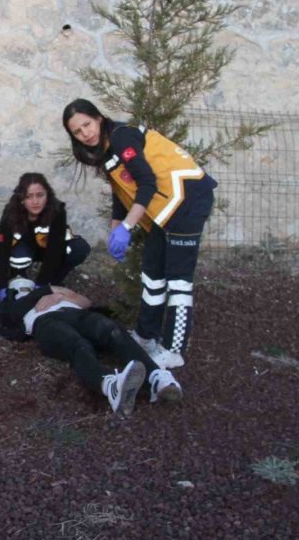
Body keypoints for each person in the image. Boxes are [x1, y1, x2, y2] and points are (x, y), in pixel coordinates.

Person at [62, 99, 217, 369]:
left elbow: (146, 182)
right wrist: (115, 227)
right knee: (152, 274)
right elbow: (122, 191)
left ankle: (173, 350)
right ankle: (146, 337)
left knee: (178, 279)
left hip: (188, 200)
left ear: (98, 118)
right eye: (77, 131)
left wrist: (127, 227)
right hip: (167, 208)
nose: (85, 133)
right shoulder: (108, 151)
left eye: (87, 124)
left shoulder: (122, 137)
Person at [0, 277, 182, 415]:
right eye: (20, 287)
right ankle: (109, 385)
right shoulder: (13, 305)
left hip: (73, 312)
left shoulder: (51, 292)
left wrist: (58, 295)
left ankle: (157, 377)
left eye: (27, 286)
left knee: (111, 330)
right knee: (78, 345)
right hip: (43, 322)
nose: (25, 289)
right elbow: (11, 316)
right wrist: (44, 292)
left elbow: (86, 302)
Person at [0, 173, 90, 299]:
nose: (35, 202)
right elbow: (2, 250)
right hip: (24, 248)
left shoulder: (57, 211)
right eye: (29, 196)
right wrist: (1, 287)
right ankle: (18, 276)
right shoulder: (11, 213)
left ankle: (55, 281)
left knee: (79, 248)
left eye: (40, 195)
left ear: (47, 195)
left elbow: (55, 249)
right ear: (21, 198)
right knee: (18, 258)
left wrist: (42, 284)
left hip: (48, 247)